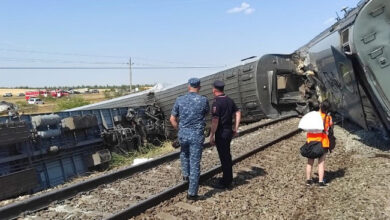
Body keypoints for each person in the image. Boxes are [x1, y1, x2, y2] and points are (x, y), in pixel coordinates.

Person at [170, 78, 209, 200]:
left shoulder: (180, 99)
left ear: (188, 86)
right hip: (196, 135)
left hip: (183, 134)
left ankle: (186, 175)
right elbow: (206, 113)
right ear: (199, 87)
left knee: (184, 154)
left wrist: (179, 129)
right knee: (195, 162)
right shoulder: (203, 100)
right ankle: (192, 193)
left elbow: (172, 119)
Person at [209, 80, 241, 189]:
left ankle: (226, 181)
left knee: (224, 157)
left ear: (214, 90)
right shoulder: (229, 100)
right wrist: (235, 128)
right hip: (228, 131)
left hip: (221, 133)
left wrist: (212, 134)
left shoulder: (216, 103)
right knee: (227, 155)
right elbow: (238, 113)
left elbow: (215, 120)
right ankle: (228, 178)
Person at [305, 100, 333, 187]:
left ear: (320, 106)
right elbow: (330, 127)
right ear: (328, 109)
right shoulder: (328, 118)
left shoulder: (313, 116)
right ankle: (321, 182)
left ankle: (308, 180)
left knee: (310, 162)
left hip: (311, 141)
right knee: (321, 163)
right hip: (323, 143)